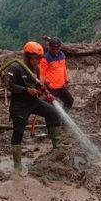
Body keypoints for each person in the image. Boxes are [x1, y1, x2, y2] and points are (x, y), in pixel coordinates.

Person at [5, 41, 70, 176]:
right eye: (36, 58)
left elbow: (37, 84)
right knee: (19, 132)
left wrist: (42, 87)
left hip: (33, 102)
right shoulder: (15, 68)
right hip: (19, 106)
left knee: (53, 113)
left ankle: (57, 144)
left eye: (40, 58)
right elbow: (9, 86)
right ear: (27, 56)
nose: (39, 61)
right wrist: (26, 90)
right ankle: (17, 164)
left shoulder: (36, 69)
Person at [40, 36, 74, 110]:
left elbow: (63, 68)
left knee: (69, 101)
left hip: (61, 86)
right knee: (51, 108)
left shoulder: (62, 55)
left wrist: (66, 80)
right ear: (49, 47)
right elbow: (42, 73)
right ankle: (52, 121)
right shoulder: (45, 59)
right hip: (51, 87)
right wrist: (44, 83)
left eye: (57, 49)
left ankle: (62, 117)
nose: (55, 51)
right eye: (53, 49)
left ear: (60, 48)